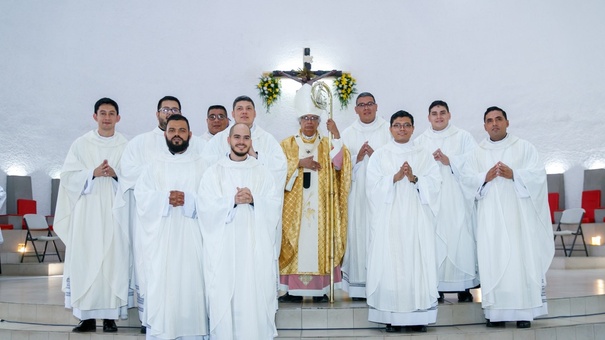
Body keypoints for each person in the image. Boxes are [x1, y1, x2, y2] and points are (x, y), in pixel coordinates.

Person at [461, 106, 554, 329]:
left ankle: (523, 312)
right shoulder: (477, 153)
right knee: (493, 259)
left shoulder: (524, 148)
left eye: (499, 119)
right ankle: (496, 313)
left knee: (519, 259)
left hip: (519, 219)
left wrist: (516, 175)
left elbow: (539, 177)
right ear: (484, 126)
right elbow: (466, 181)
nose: (494, 124)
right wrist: (484, 177)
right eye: (489, 120)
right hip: (490, 219)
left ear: (507, 122)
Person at [114, 95, 191, 334]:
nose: (169, 112)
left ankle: (183, 318)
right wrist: (162, 191)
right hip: (151, 219)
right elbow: (128, 173)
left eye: (174, 109)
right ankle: (151, 319)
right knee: (150, 268)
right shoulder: (139, 143)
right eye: (165, 109)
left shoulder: (193, 143)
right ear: (157, 112)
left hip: (185, 221)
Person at [198, 123, 281, 339]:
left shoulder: (262, 172)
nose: (241, 141)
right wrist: (231, 201)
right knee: (226, 296)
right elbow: (205, 207)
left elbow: (274, 205)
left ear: (251, 142)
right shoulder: (214, 172)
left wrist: (255, 200)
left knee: (253, 296)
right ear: (228, 139)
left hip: (254, 251)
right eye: (237, 137)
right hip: (224, 251)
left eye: (246, 138)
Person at [54, 97, 129, 333]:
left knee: (113, 259)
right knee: (86, 259)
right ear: (95, 116)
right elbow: (67, 177)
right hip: (87, 212)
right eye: (102, 113)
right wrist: (91, 173)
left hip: (115, 212)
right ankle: (85, 317)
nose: (107, 118)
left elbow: (136, 177)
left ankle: (110, 317)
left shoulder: (126, 146)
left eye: (111, 113)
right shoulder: (81, 144)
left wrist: (117, 175)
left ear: (118, 118)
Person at [203, 95, 286, 302]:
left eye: (249, 108)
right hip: (227, 226)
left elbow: (280, 170)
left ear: (255, 113)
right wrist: (230, 197)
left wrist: (256, 157)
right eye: (239, 108)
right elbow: (208, 174)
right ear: (232, 114)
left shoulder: (268, 140)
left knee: (254, 276)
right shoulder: (217, 141)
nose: (244, 112)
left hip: (255, 225)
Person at [366, 110, 441, 333]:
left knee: (416, 260)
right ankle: (392, 317)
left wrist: (414, 178)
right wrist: (394, 178)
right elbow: (371, 188)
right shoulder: (380, 155)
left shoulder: (423, 154)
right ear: (390, 129)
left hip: (417, 218)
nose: (402, 129)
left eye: (406, 125)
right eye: (397, 125)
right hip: (390, 220)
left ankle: (418, 317)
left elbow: (435, 183)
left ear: (413, 128)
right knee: (392, 262)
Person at [134, 115, 209, 339]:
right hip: (162, 239)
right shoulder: (153, 165)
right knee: (162, 285)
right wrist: (165, 198)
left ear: (190, 135)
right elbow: (142, 197)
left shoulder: (202, 165)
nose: (177, 134)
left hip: (192, 236)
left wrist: (189, 200)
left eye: (182, 130)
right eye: (172, 130)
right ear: (165, 135)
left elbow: (211, 198)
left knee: (191, 284)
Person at [278, 84, 352, 302]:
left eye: (313, 118)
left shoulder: (328, 143)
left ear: (319, 122)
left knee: (319, 241)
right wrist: (300, 163)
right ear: (299, 121)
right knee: (294, 241)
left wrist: (337, 135)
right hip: (294, 208)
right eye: (305, 118)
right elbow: (275, 170)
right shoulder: (287, 144)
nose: (309, 122)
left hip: (322, 207)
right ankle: (292, 291)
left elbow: (340, 166)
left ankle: (321, 289)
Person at [414, 100, 479, 303]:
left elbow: (475, 161)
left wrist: (450, 160)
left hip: (457, 199)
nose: (439, 116)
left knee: (460, 239)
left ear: (449, 115)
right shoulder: (420, 141)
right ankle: (437, 287)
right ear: (428, 117)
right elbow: (415, 168)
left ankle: (464, 287)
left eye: (442, 113)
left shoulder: (463, 137)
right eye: (434, 113)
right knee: (434, 240)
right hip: (433, 201)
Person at [340, 92, 391, 301]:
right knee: (359, 234)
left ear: (377, 106)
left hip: (383, 196)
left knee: (381, 234)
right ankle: (360, 286)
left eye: (370, 104)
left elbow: (396, 156)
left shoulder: (389, 129)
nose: (366, 108)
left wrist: (376, 154)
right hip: (358, 195)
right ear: (356, 109)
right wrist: (357, 157)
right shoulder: (348, 133)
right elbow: (339, 167)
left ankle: (383, 283)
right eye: (362, 105)